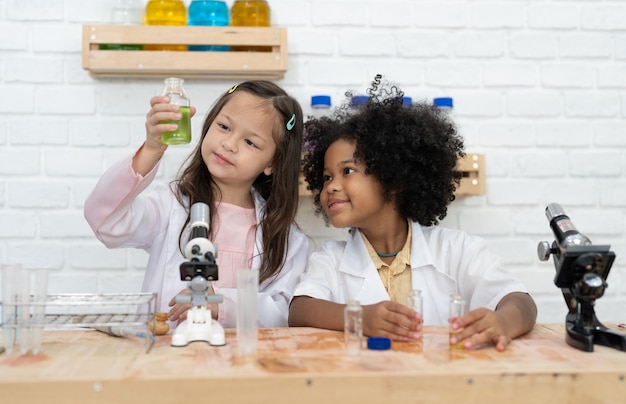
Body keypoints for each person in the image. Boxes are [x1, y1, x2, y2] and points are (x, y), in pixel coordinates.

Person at [289, 76, 537, 351]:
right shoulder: (330, 259)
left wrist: (503, 321)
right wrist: (361, 317)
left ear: (393, 179)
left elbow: (521, 302)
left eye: (347, 171)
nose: (331, 187)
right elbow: (300, 310)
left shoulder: (458, 250)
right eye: (325, 177)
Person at [85, 80, 309, 328]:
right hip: (169, 360)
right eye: (224, 127)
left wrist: (220, 304)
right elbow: (105, 221)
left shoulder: (286, 239)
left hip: (241, 364)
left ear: (273, 163)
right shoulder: (171, 206)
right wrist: (151, 149)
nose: (229, 144)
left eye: (250, 142)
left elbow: (281, 313)